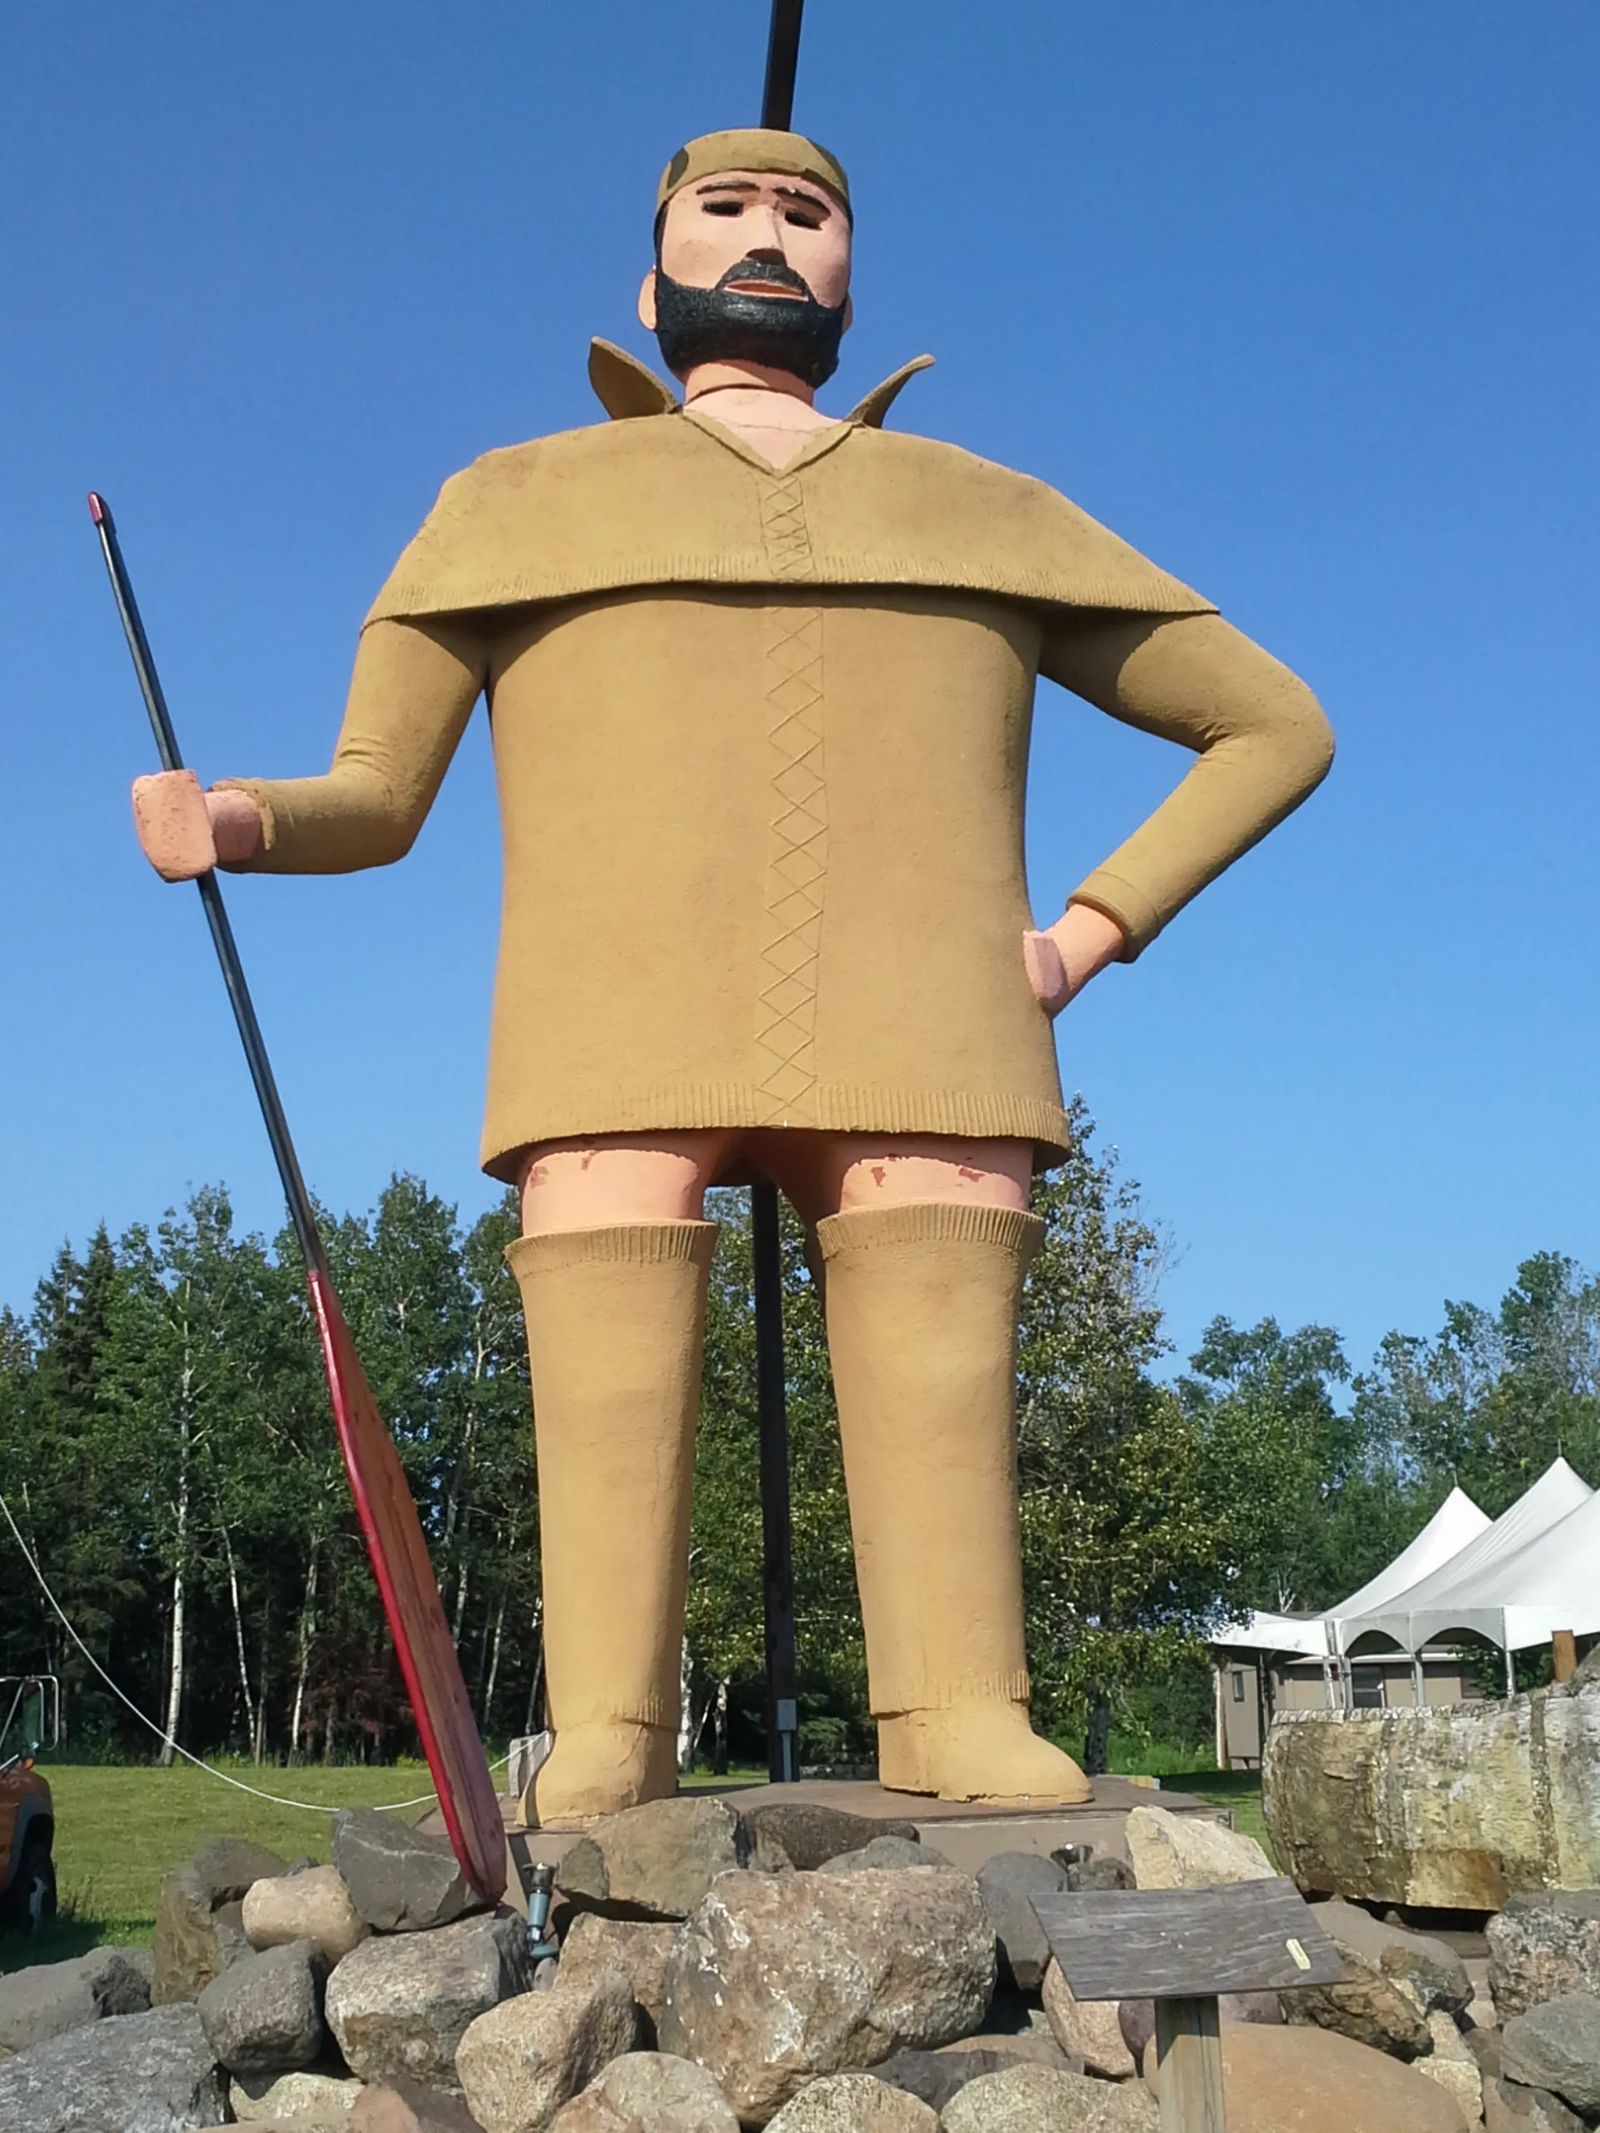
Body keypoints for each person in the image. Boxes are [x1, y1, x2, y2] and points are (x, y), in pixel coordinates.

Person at [133, 129, 1334, 1826]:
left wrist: (1085, 930)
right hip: (612, 1016)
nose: (769, 233)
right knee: (604, 1204)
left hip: (933, 1023)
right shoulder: (512, 501)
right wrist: (238, 816)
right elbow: (380, 792)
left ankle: (957, 1706)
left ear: (853, 274)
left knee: (932, 1210)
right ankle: (612, 1722)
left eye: (809, 211)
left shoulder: (985, 508)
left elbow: (1273, 722)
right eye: (729, 205)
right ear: (650, 278)